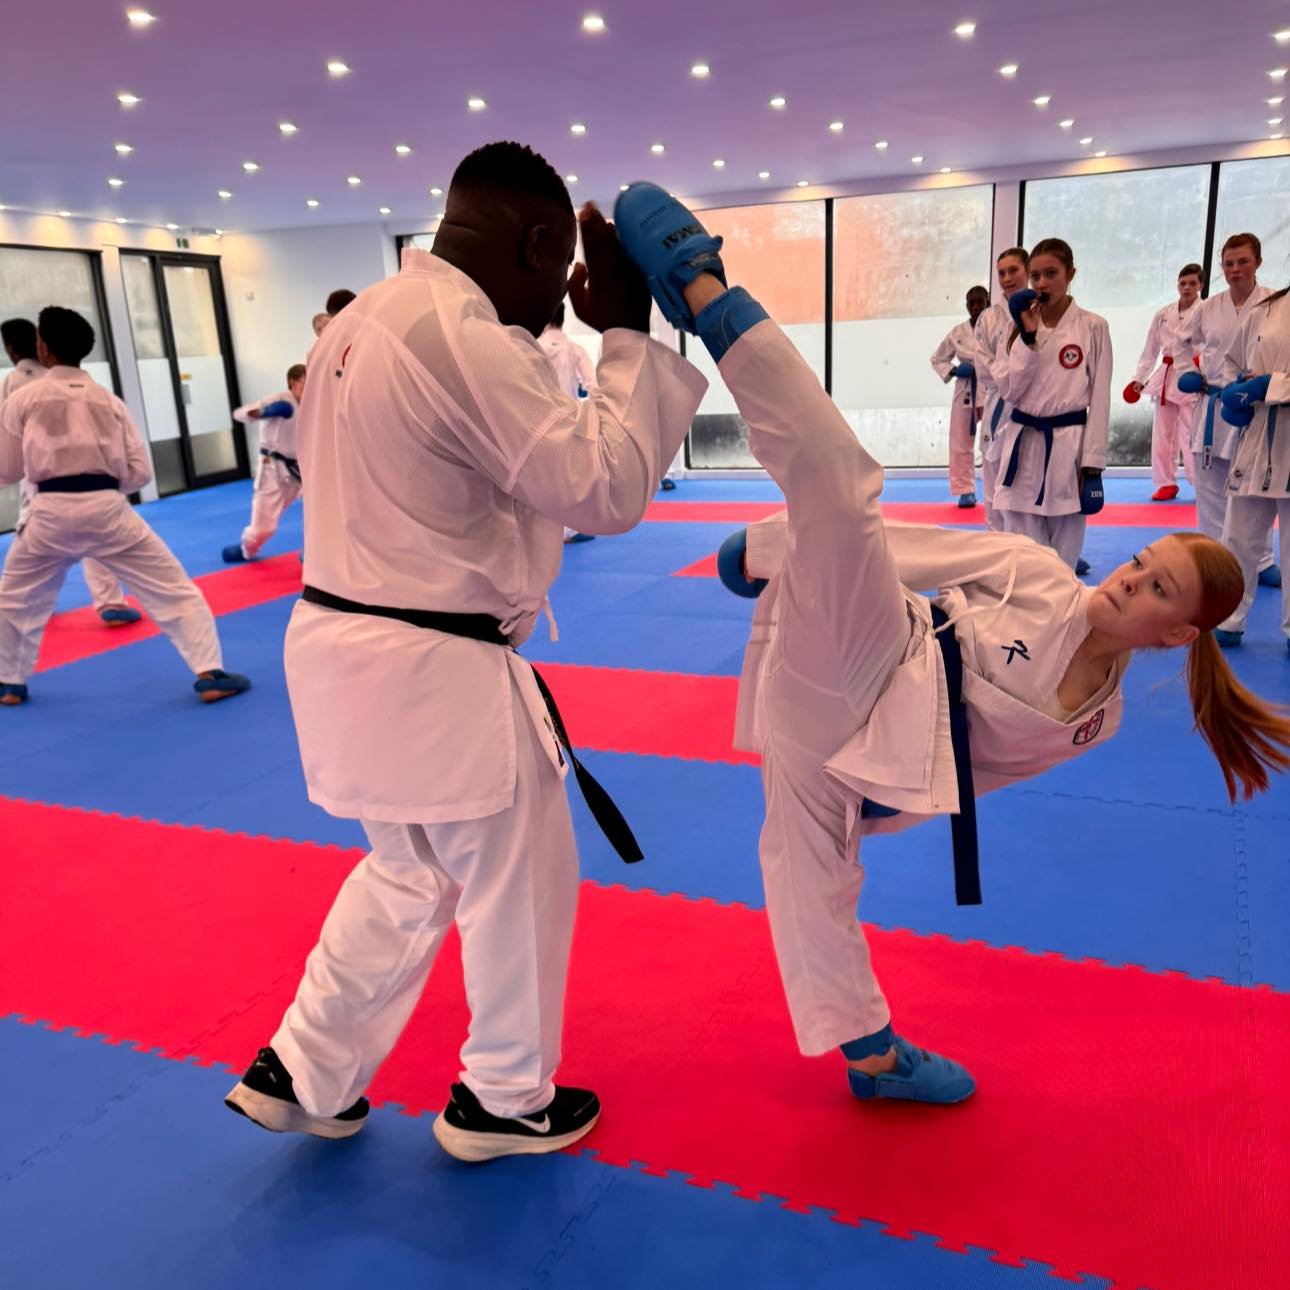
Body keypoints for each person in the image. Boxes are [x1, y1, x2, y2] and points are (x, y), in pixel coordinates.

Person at [611, 182, 1290, 1104]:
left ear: (1175, 635)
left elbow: (970, 773)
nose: (1129, 578)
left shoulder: (1097, 722)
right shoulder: (1040, 573)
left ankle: (872, 1058)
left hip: (862, 753)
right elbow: (907, 548)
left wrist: (877, 803)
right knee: (843, 484)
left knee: (814, 878)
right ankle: (703, 290)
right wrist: (765, 552)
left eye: (1156, 588)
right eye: (1142, 561)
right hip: (881, 650)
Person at [223, 143, 705, 1160]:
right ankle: (505, 1100)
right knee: (517, 879)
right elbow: (605, 490)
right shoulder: (464, 336)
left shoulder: (359, 320)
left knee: (407, 870)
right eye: (557, 269)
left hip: (341, 648)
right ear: (534, 243)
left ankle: (304, 1069)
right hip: (436, 668)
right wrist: (627, 331)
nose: (557, 299)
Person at [0, 307, 251, 706]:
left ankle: (9, 683)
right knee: (173, 589)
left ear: (43, 348)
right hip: (107, 509)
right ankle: (210, 672)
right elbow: (140, 472)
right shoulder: (110, 401)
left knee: (14, 599)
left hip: (47, 512)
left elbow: (8, 470)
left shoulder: (22, 398)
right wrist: (100, 488)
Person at [2, 318, 140, 626]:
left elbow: (8, 430)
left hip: (41, 475)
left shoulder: (15, 381)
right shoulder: (66, 379)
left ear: (11, 349)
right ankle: (110, 602)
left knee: (33, 539)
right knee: (97, 535)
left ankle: (28, 603)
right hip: (87, 469)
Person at [991, 238, 1110, 572]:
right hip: (1023, 445)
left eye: (1051, 274)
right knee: (1025, 559)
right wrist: (1029, 339)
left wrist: (1093, 465)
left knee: (1063, 560)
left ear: (1070, 274)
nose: (1041, 283)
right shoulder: (1015, 329)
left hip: (1068, 449)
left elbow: (1100, 398)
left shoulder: (1092, 327)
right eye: (1036, 276)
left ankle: (1062, 606)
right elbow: (1009, 391)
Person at [1176, 233, 1277, 596]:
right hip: (1214, 403)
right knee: (1210, 487)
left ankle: (1261, 559)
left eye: (1243, 262)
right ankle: (1212, 560)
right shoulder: (1208, 307)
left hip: (1255, 405)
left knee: (1253, 490)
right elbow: (1181, 344)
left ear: (1258, 263)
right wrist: (1189, 372)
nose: (1235, 270)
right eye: (1229, 263)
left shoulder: (1275, 303)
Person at [1211, 286, 1290, 652]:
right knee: (1238, 537)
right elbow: (1231, 360)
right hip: (1257, 437)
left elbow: (1268, 382)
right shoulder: (1266, 309)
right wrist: (1238, 388)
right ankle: (1228, 617)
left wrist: (1271, 384)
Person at [1129, 264, 1204, 500]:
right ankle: (1166, 483)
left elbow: (1213, 346)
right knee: (1163, 433)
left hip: (1192, 376)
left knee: (1191, 434)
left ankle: (1200, 483)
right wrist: (1138, 378)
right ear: (1177, 285)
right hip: (1166, 375)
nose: (1187, 287)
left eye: (1192, 283)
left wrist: (1205, 370)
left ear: (1201, 286)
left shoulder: (1206, 312)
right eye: (1183, 283)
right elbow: (1150, 350)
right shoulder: (1163, 315)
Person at [221, 364, 306, 563]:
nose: (310, 386)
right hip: (273, 470)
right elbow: (239, 414)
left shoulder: (313, 402)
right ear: (293, 382)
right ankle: (246, 549)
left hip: (302, 469)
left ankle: (313, 553)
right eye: (305, 381)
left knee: (324, 511)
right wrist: (263, 412)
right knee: (264, 528)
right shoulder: (279, 400)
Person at [974, 248, 1029, 532]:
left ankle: (1033, 545)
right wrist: (1014, 378)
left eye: (1013, 271)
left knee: (1025, 484)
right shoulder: (988, 319)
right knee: (993, 486)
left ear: (1028, 271)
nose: (1007, 278)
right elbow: (982, 365)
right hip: (998, 406)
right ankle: (997, 542)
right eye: (1001, 273)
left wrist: (1020, 379)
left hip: (1031, 407)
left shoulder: (1040, 312)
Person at [537, 305, 600, 542]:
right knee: (569, 476)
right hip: (569, 420)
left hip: (539, 420)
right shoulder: (576, 350)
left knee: (543, 477)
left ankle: (545, 529)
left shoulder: (534, 348)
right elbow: (593, 386)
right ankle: (568, 529)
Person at [930, 285, 990, 507]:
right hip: (966, 389)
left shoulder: (998, 328)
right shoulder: (957, 332)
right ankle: (966, 490)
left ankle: (998, 488)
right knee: (960, 442)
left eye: (980, 302)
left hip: (992, 387)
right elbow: (938, 358)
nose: (976, 307)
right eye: (971, 303)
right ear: (966, 306)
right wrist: (955, 370)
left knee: (995, 441)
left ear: (988, 302)